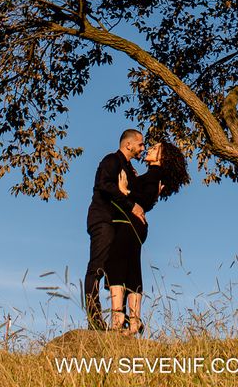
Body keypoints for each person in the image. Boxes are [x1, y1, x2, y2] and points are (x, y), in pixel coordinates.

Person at [104, 140, 189, 334]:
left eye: (155, 148)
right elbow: (149, 198)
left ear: (162, 157)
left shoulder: (154, 174)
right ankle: (133, 321)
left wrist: (125, 191)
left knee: (116, 263)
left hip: (129, 224)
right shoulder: (152, 175)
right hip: (134, 225)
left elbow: (144, 199)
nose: (149, 149)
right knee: (132, 267)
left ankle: (118, 319)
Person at [84, 129, 147, 330]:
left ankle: (122, 318)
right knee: (97, 268)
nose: (142, 149)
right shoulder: (111, 160)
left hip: (117, 225)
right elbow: (104, 185)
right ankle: (94, 321)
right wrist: (130, 204)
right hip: (103, 219)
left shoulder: (129, 169)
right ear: (128, 144)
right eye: (140, 144)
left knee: (116, 271)